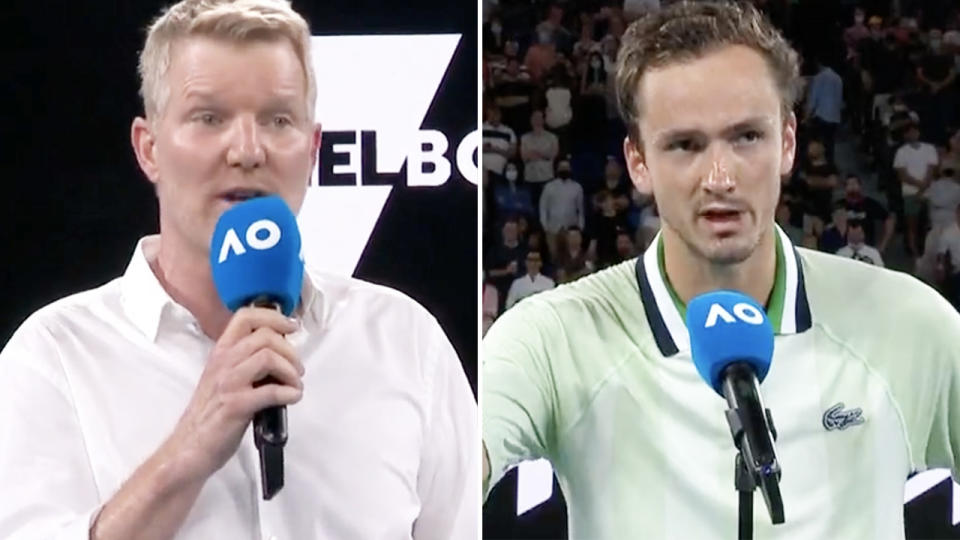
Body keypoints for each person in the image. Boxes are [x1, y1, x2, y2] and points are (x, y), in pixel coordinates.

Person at [0, 2, 478, 538]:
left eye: (278, 120)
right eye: (209, 117)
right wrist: (191, 446)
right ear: (149, 149)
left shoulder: (405, 342)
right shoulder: (55, 357)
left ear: (313, 149)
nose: (248, 150)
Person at [482, 3, 960, 538]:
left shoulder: (909, 321)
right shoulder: (552, 337)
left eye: (746, 137)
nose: (719, 177)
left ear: (787, 142)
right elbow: (447, 464)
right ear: (638, 162)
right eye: (685, 145)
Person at [894, 122, 939, 256]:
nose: (913, 134)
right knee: (911, 226)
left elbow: (932, 170)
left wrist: (923, 189)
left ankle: (928, 252)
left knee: (929, 226)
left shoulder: (929, 149)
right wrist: (920, 187)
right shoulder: (901, 152)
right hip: (910, 193)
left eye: (915, 131)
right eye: (910, 132)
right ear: (905, 134)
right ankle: (914, 253)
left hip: (929, 193)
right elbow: (902, 175)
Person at [539, 158, 585, 258]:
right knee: (554, 256)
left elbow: (581, 210)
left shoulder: (577, 187)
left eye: (566, 167)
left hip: (570, 228)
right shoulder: (549, 187)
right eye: (562, 167)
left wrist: (580, 227)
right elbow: (543, 208)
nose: (564, 169)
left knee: (570, 255)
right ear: (557, 169)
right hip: (552, 228)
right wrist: (545, 227)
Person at [482, 103, 517, 176]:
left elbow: (512, 153)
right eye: (490, 115)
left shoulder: (508, 132)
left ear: (500, 115)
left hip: (500, 172)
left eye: (495, 114)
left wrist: (497, 150)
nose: (493, 117)